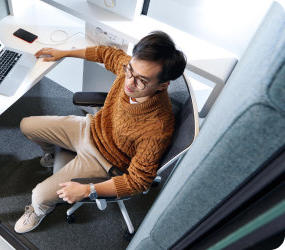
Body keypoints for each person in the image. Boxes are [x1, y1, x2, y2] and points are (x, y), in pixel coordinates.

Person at [14, 30, 186, 234]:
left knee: (39, 195)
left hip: (105, 160)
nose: (129, 82)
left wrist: (88, 190)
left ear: (163, 85)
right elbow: (105, 53)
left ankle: (39, 210)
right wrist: (64, 52)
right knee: (26, 125)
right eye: (129, 70)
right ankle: (53, 154)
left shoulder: (157, 128)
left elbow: (138, 181)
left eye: (142, 81)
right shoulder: (131, 69)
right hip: (90, 127)